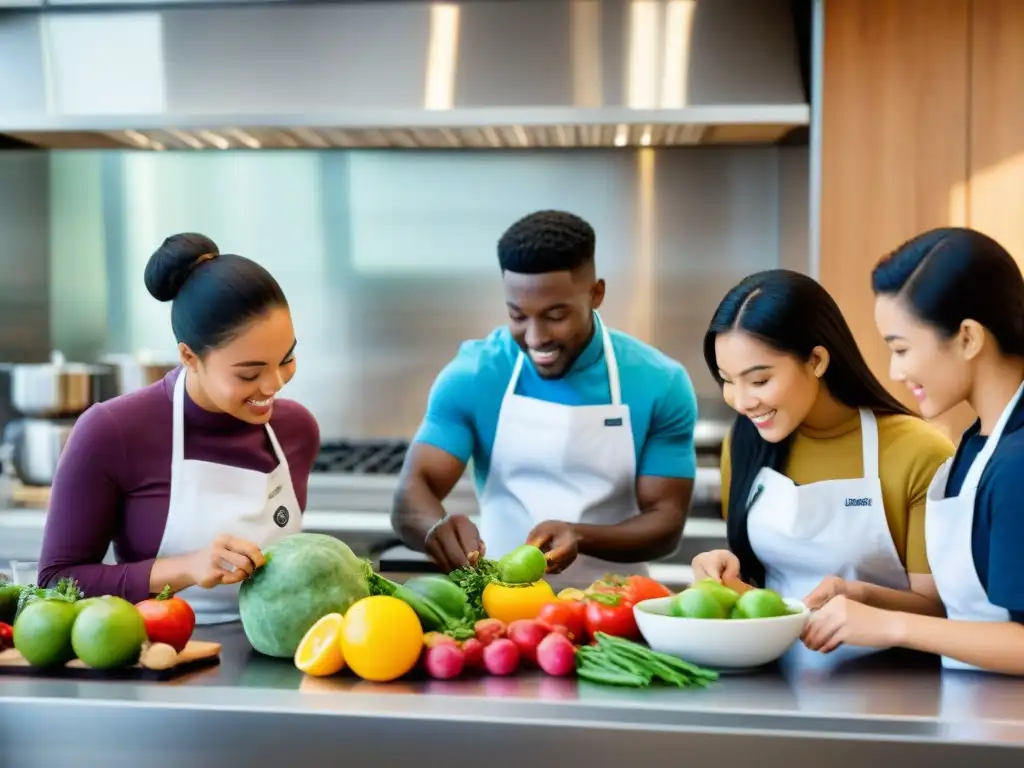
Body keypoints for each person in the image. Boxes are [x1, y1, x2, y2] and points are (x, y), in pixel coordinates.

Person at [391, 210, 699, 588]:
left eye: (555, 315)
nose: (535, 338)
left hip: (615, 609)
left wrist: (580, 535)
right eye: (517, 316)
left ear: (596, 294)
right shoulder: (473, 374)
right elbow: (412, 492)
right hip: (501, 608)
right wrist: (435, 528)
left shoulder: (659, 381)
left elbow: (666, 521)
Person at [37, 233, 320, 625]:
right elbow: (55, 582)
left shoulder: (296, 430)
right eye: (250, 373)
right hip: (158, 660)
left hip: (277, 661)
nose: (274, 385)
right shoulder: (112, 431)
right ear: (189, 356)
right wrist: (186, 568)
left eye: (286, 359)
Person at [691, 269, 953, 663]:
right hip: (772, 674)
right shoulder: (745, 442)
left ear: (816, 360)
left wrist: (859, 596)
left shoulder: (918, 451)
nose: (741, 401)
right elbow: (760, 593)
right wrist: (725, 575)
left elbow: (941, 611)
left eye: (758, 381)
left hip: (894, 686)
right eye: (727, 380)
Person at [803, 228, 1024, 675]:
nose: (895, 371)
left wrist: (894, 626)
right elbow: (971, 614)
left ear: (967, 338)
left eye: (901, 349)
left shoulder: (1018, 463)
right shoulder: (978, 442)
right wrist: (866, 597)